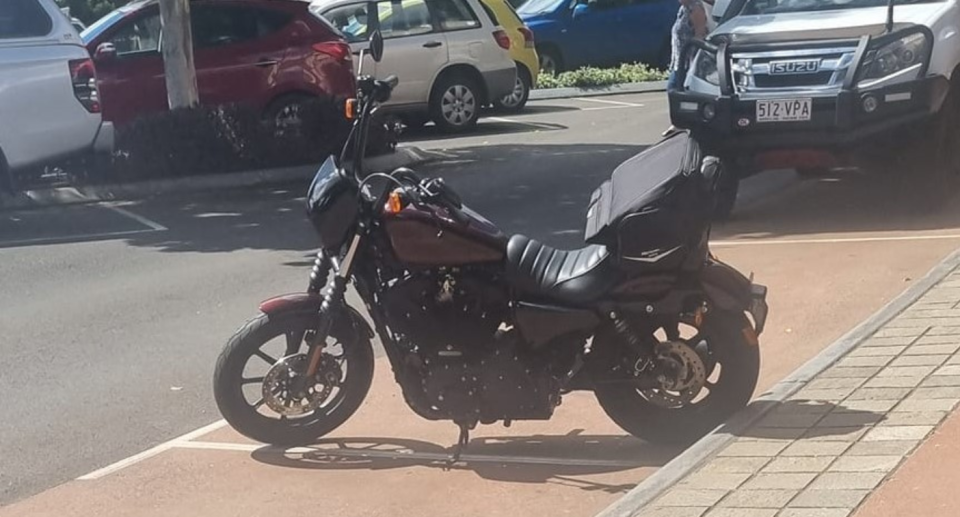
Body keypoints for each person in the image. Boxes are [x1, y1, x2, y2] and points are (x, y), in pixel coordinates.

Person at [663, 0, 710, 137]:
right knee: (675, 89)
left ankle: (685, 123)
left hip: (689, 60)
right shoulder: (683, 10)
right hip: (679, 59)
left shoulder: (696, 9)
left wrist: (694, 60)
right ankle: (680, 123)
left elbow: (700, 34)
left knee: (677, 89)